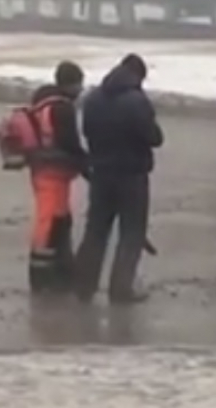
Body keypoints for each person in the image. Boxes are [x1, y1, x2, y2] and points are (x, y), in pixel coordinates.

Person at [75, 54, 164, 304]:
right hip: (132, 175)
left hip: (101, 173)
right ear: (138, 76)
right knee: (131, 233)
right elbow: (154, 137)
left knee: (96, 231)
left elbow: (87, 131)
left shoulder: (92, 98)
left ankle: (84, 285)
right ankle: (121, 289)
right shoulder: (137, 101)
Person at [27, 61, 88, 295]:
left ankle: (57, 271)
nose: (81, 90)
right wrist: (85, 162)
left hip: (42, 169)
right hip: (54, 171)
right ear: (71, 84)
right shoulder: (62, 108)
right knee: (51, 222)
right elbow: (69, 142)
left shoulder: (41, 101)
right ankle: (43, 278)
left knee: (59, 219)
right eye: (79, 84)